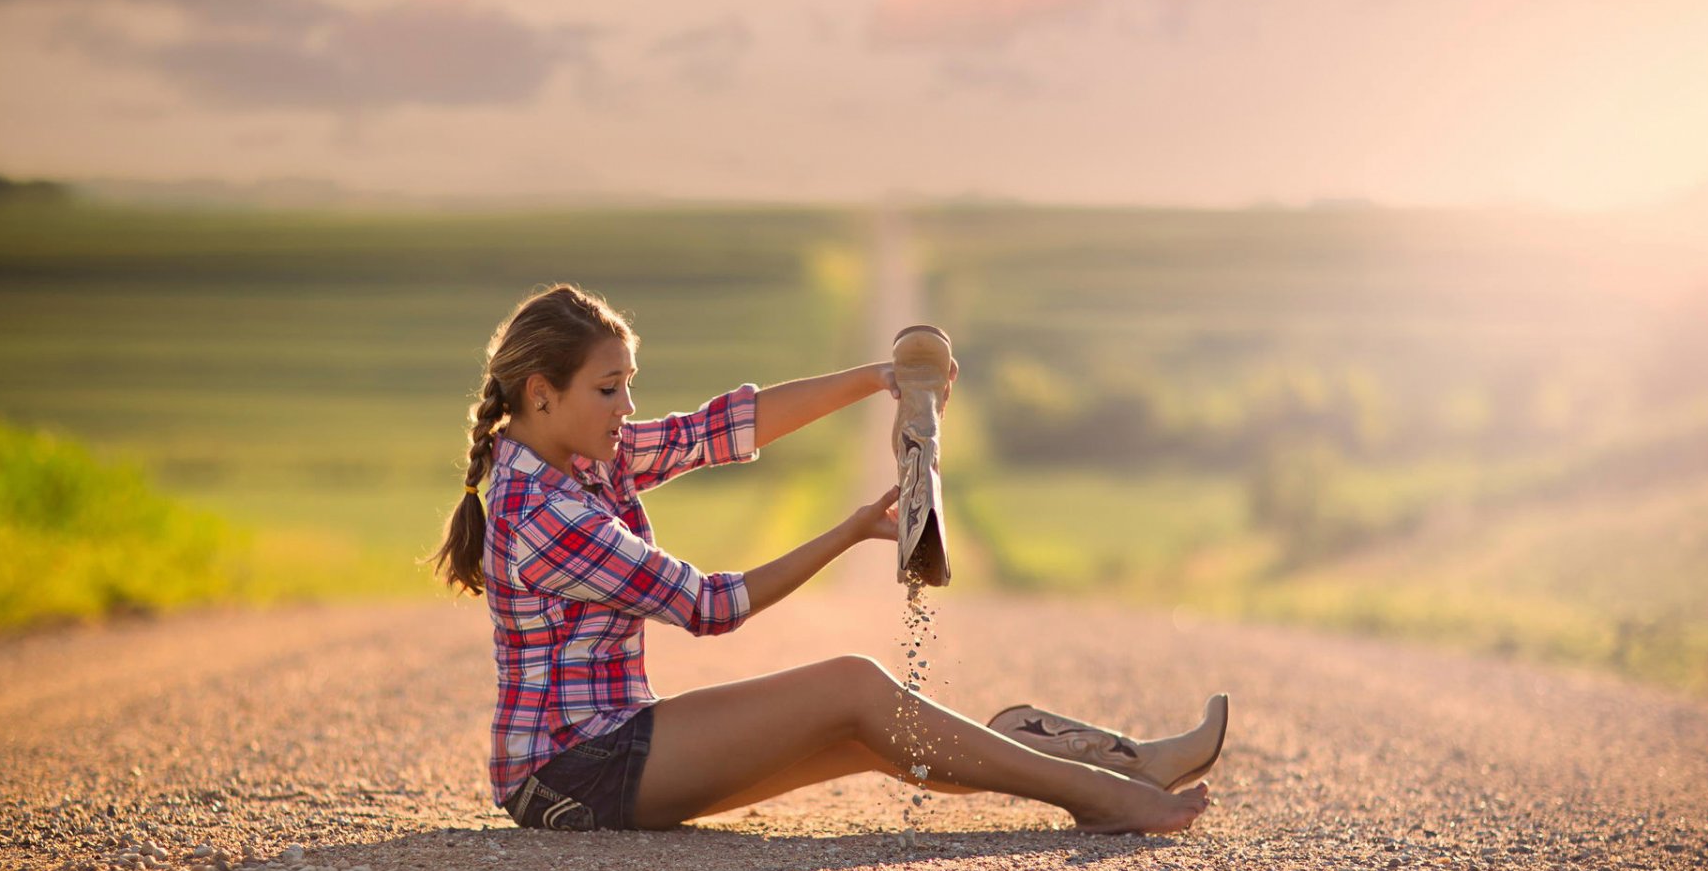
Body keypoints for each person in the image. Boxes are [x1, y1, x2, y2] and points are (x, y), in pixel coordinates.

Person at [427, 283, 1216, 835]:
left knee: (872, 735)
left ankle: (1110, 768)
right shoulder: (545, 511)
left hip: (609, 745)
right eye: (610, 389)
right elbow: (708, 606)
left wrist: (882, 381)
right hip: (572, 771)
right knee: (852, 685)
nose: (627, 407)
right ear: (541, 393)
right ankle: (1103, 791)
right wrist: (845, 532)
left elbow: (718, 429)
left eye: (629, 385)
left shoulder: (579, 454)